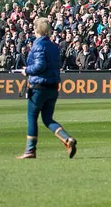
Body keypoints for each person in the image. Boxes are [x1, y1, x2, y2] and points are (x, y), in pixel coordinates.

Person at [18, 17, 76, 160]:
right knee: (47, 118)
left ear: (37, 29)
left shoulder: (38, 45)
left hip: (39, 86)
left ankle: (30, 150)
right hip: (53, 86)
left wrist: (27, 71)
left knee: (32, 117)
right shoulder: (54, 46)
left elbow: (40, 66)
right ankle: (67, 139)